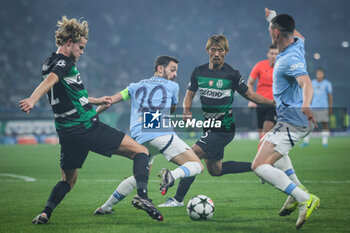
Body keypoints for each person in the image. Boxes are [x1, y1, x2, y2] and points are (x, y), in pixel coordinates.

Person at [19, 16, 163, 224]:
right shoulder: (64, 63)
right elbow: (53, 79)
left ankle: (45, 213)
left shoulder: (47, 62)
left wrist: (96, 101)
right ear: (69, 43)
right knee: (141, 152)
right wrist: (32, 99)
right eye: (80, 47)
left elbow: (71, 93)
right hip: (86, 127)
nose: (82, 52)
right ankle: (142, 195)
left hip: (67, 132)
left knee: (68, 180)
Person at [158, 35, 275, 207]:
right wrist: (187, 111)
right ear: (208, 51)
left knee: (191, 155)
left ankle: (177, 199)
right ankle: (260, 168)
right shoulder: (199, 72)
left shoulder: (232, 74)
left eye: (221, 50)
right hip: (208, 127)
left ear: (226, 52)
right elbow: (189, 95)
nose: (217, 53)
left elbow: (250, 95)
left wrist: (272, 102)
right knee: (215, 170)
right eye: (213, 49)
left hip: (224, 129)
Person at [93, 55, 204, 214]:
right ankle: (171, 175)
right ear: (160, 68)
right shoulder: (173, 86)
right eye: (172, 70)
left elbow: (108, 101)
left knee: (140, 176)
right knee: (198, 165)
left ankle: (106, 207)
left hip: (139, 137)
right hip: (159, 131)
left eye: (176, 71)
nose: (175, 74)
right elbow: (172, 109)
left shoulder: (134, 86)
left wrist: (95, 114)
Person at [251, 8, 320, 229]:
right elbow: (300, 35)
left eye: (271, 28)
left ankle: (303, 198)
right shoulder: (297, 43)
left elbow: (306, 83)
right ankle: (297, 189)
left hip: (293, 120)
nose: (269, 31)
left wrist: (306, 105)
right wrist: (273, 17)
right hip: (288, 120)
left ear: (276, 32)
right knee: (265, 144)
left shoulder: (289, 59)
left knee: (259, 166)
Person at [247, 45, 278, 138]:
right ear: (268, 54)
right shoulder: (260, 65)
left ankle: (265, 151)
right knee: (260, 132)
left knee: (267, 129)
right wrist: (251, 100)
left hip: (273, 103)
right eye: (272, 53)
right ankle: (262, 151)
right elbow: (249, 83)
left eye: (276, 54)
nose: (274, 56)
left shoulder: (282, 68)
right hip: (260, 102)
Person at [302, 68, 333, 147]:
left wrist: (330, 107)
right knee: (309, 124)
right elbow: (309, 95)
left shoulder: (327, 84)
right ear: (316, 74)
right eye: (318, 73)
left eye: (320, 73)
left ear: (323, 75)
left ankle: (325, 142)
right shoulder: (312, 83)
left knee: (324, 124)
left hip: (324, 107)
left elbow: (330, 96)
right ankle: (306, 141)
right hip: (314, 107)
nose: (319, 75)